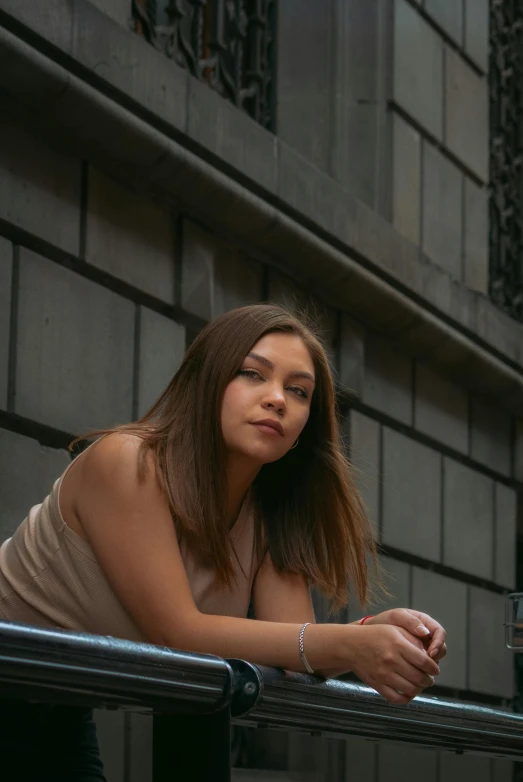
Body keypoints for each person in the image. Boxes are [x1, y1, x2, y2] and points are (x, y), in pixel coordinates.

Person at [0, 303, 446, 779]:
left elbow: (295, 652)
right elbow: (178, 633)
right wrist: (354, 645)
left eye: (299, 391)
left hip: (61, 701)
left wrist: (373, 632)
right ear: (208, 383)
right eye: (253, 374)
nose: (278, 399)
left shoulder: (271, 512)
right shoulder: (128, 461)